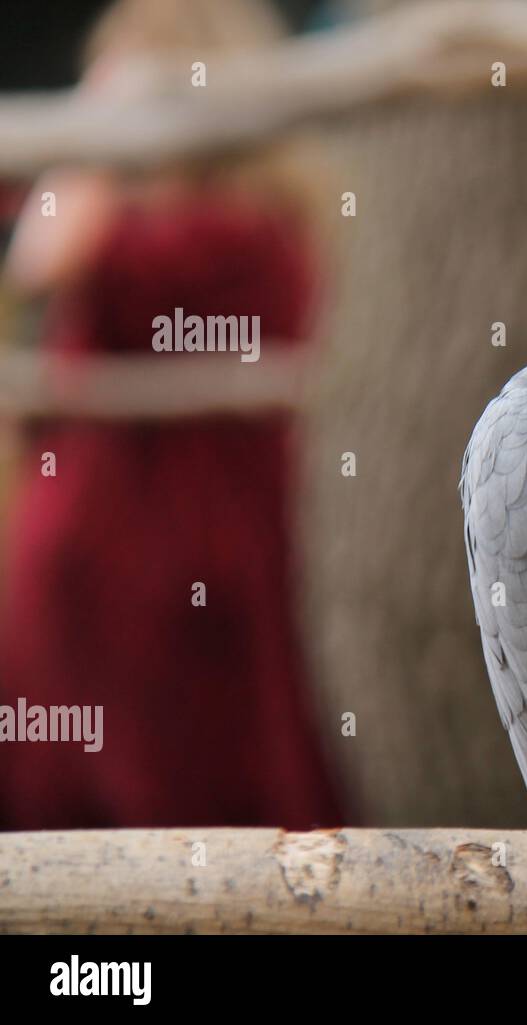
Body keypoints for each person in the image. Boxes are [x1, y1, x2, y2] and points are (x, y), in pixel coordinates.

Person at [0, 0, 345, 830]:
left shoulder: (235, 241)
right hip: (92, 601)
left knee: (189, 823)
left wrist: (93, 141)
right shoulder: (146, 231)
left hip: (185, 601)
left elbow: (38, 257)